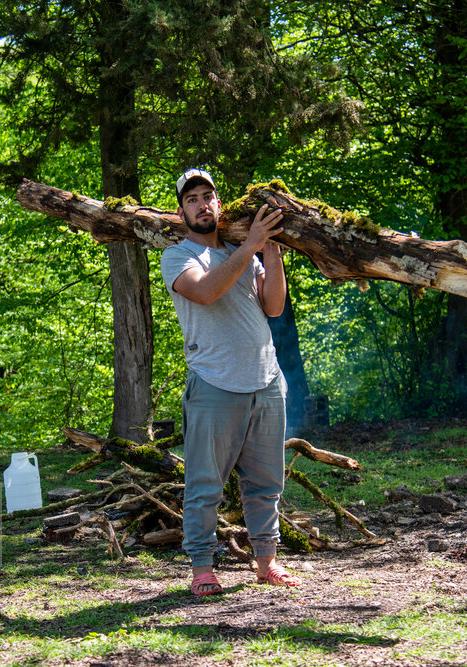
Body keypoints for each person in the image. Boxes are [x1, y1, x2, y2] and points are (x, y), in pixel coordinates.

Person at [161, 168, 302, 596]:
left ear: (220, 205)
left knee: (266, 482)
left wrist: (271, 251)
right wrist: (252, 247)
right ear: (182, 210)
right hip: (213, 384)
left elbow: (274, 307)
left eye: (209, 196)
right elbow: (205, 292)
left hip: (266, 381)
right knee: (205, 485)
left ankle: (266, 563)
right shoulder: (178, 256)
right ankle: (203, 567)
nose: (202, 204)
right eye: (192, 199)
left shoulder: (249, 253)